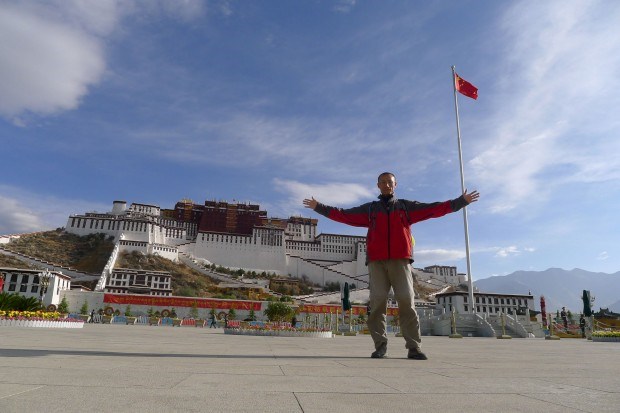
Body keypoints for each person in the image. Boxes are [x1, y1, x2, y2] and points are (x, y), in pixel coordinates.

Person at [304, 172, 479, 360]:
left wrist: (460, 202)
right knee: (377, 303)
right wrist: (319, 207)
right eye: (383, 182)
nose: (387, 185)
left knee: (406, 300)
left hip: (400, 260)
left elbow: (433, 209)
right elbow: (344, 215)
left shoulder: (406, 207)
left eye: (390, 182)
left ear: (395, 185)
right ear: (378, 185)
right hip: (376, 261)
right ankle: (380, 346)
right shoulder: (370, 209)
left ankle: (414, 347)